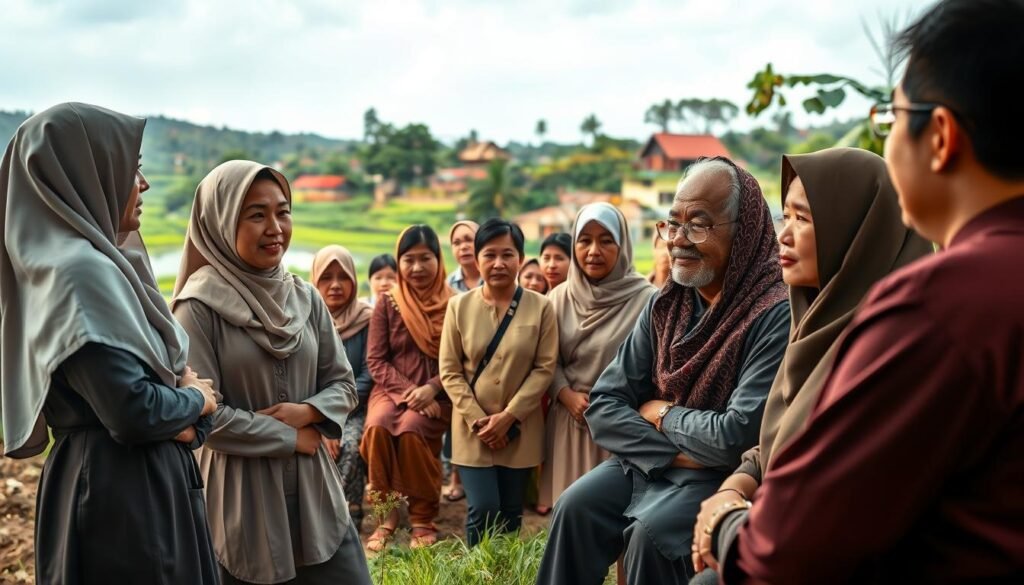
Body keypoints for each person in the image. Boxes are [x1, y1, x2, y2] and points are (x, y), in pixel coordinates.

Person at [708, 2, 1024, 582]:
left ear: (942, 137)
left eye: (893, 117)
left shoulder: (936, 309)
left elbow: (784, 554)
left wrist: (725, 525)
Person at [536, 157, 790, 585]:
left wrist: (661, 413)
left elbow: (735, 437)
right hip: (655, 461)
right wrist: (672, 452)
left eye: (699, 224)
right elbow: (605, 405)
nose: (678, 240)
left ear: (744, 230)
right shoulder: (666, 304)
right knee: (574, 506)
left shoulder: (771, 312)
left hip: (717, 477)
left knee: (648, 536)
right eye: (672, 224)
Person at [688, 148, 931, 584]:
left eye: (804, 219)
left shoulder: (889, 354)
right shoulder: (813, 328)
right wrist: (732, 489)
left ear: (857, 235)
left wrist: (726, 521)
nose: (784, 235)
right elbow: (778, 444)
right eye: (785, 217)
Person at [0, 103, 218, 583]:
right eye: (132, 168)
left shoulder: (105, 264)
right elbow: (134, 411)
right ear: (85, 172)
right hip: (120, 498)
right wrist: (196, 402)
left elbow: (162, 405)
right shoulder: (78, 274)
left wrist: (186, 417)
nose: (143, 185)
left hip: (134, 485)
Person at [172, 160, 370, 585]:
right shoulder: (198, 308)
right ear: (221, 222)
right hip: (242, 494)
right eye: (257, 215)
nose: (275, 227)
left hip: (315, 488)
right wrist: (289, 437)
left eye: (283, 211)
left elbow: (344, 383)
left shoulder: (305, 297)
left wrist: (309, 413)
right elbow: (205, 415)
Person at [440, 219, 558, 546]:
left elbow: (545, 368)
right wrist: (480, 420)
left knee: (510, 511)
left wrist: (508, 417)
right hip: (472, 429)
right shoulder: (458, 307)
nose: (498, 263)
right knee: (483, 507)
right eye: (489, 254)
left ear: (520, 258)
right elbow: (450, 371)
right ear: (476, 259)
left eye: (508, 254)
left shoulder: (541, 307)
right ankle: (478, 573)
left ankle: (504, 573)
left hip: (520, 429)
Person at [538, 203, 657, 511]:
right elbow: (546, 361)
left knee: (621, 519)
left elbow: (655, 368)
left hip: (622, 426)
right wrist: (565, 394)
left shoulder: (647, 300)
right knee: (569, 514)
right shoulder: (558, 299)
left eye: (606, 240)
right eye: (584, 240)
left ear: (623, 245)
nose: (593, 250)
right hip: (570, 422)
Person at [361, 225, 454, 550]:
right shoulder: (389, 302)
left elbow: (463, 358)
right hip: (391, 388)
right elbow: (376, 359)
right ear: (399, 262)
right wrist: (406, 393)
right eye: (408, 259)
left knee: (414, 430)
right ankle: (386, 515)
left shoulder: (454, 303)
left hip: (439, 393)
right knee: (377, 427)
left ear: (438, 259)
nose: (416, 268)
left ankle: (422, 516)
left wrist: (430, 389)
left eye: (425, 258)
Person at [311, 245, 375, 531]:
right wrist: (323, 419)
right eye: (327, 277)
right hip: (314, 411)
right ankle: (320, 515)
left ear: (354, 280)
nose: (335, 285)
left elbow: (368, 374)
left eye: (343, 277)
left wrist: (335, 414)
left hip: (355, 407)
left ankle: (349, 514)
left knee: (350, 445)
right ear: (315, 280)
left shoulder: (367, 319)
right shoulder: (304, 320)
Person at [447, 220, 482, 292]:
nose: (463, 247)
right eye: (456, 243)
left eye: (469, 240)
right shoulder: (448, 285)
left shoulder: (493, 278)